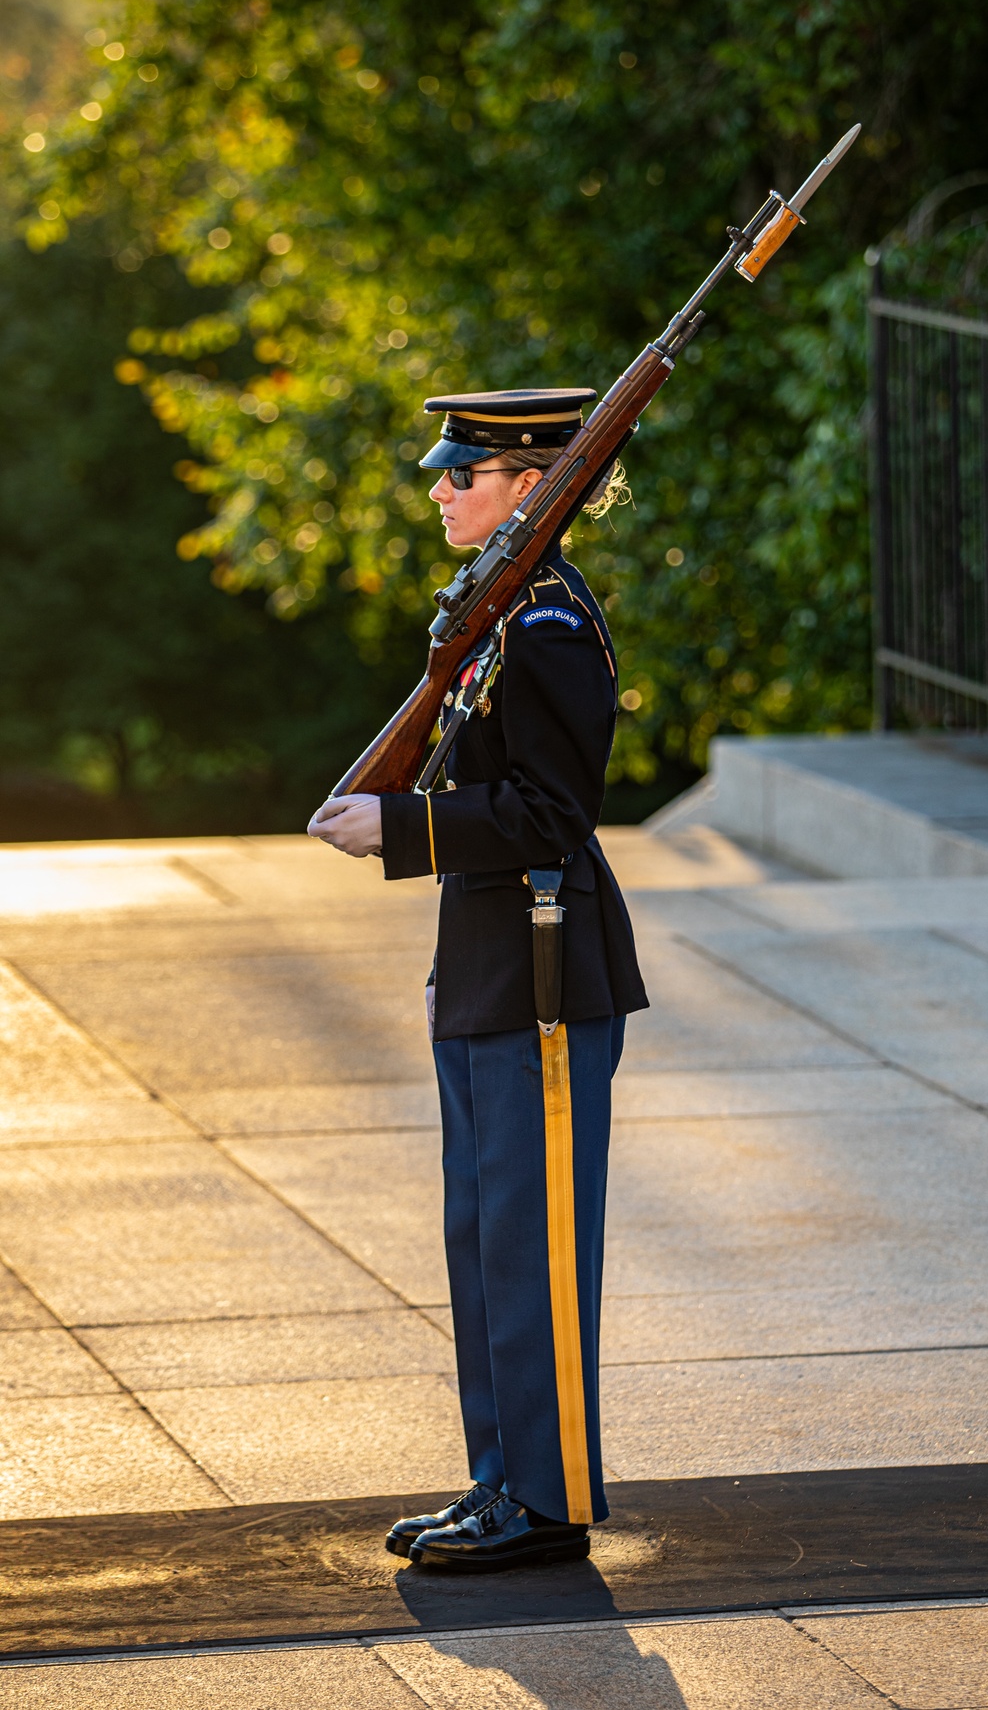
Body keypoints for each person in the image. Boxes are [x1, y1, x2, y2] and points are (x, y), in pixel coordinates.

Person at [308, 388, 647, 1571]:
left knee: (533, 1242)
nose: (443, 489)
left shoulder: (548, 624)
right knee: (486, 1236)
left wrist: (402, 828)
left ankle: (548, 1501)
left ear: (530, 488)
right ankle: (500, 1477)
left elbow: (554, 811)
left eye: (466, 474)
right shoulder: (504, 618)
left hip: (548, 971)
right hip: (492, 967)